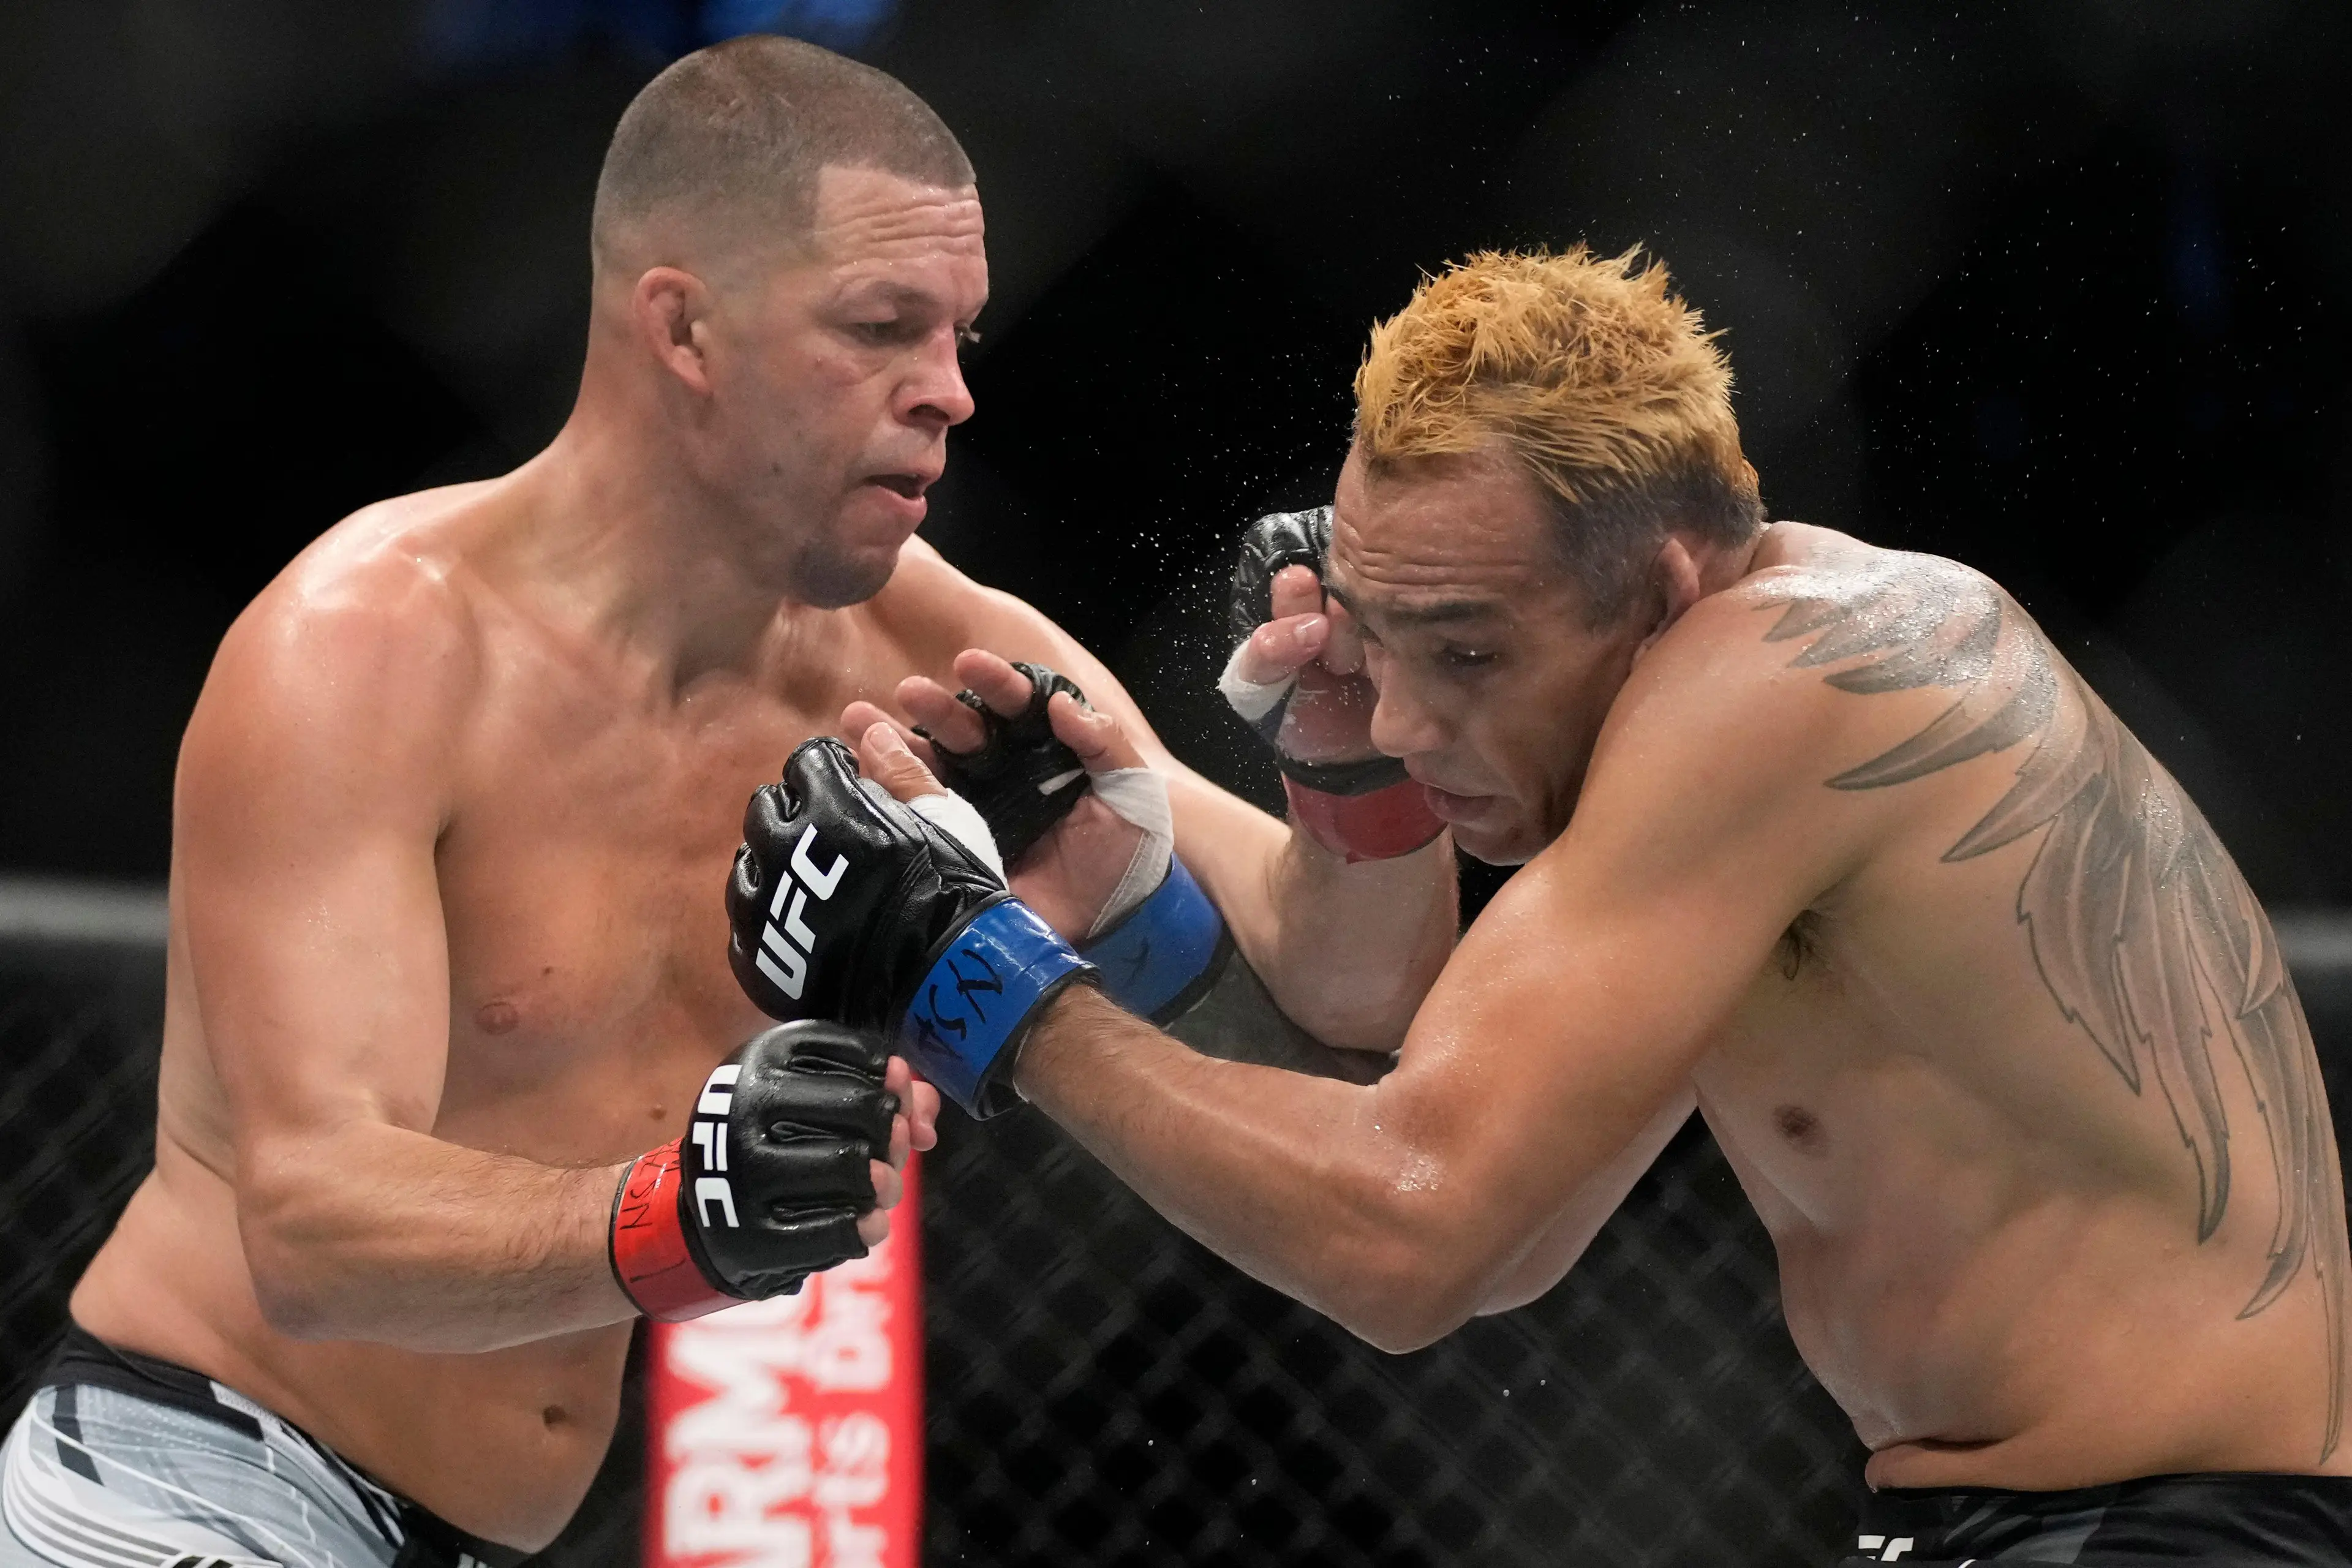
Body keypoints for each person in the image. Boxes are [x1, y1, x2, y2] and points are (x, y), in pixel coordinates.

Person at [0, 37, 1455, 1568]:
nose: (950, 393)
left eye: (962, 332)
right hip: (195, 1478)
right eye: (880, 328)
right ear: (684, 327)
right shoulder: (369, 651)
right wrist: (687, 1211)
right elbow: (310, 1231)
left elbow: (1353, 980)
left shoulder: (937, 646)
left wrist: (1355, 764)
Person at [742, 247, 2352, 1566]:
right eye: (1378, 646)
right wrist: (1168, 843)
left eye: (1471, 651)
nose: (1412, 722)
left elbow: (1411, 1228)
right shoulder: (1746, 751)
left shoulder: (1794, 674)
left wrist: (982, 979)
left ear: (1654, 589)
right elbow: (1495, 1215)